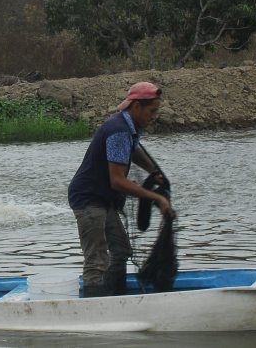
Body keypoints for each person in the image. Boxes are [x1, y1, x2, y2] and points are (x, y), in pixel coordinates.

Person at [67, 81, 175, 297]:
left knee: (121, 250)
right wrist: (157, 198)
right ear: (136, 107)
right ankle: (95, 306)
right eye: (151, 111)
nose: (154, 116)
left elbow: (133, 151)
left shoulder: (129, 128)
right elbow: (117, 181)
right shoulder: (118, 131)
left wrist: (153, 171)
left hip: (103, 199)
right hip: (88, 199)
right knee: (97, 260)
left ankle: (114, 294)